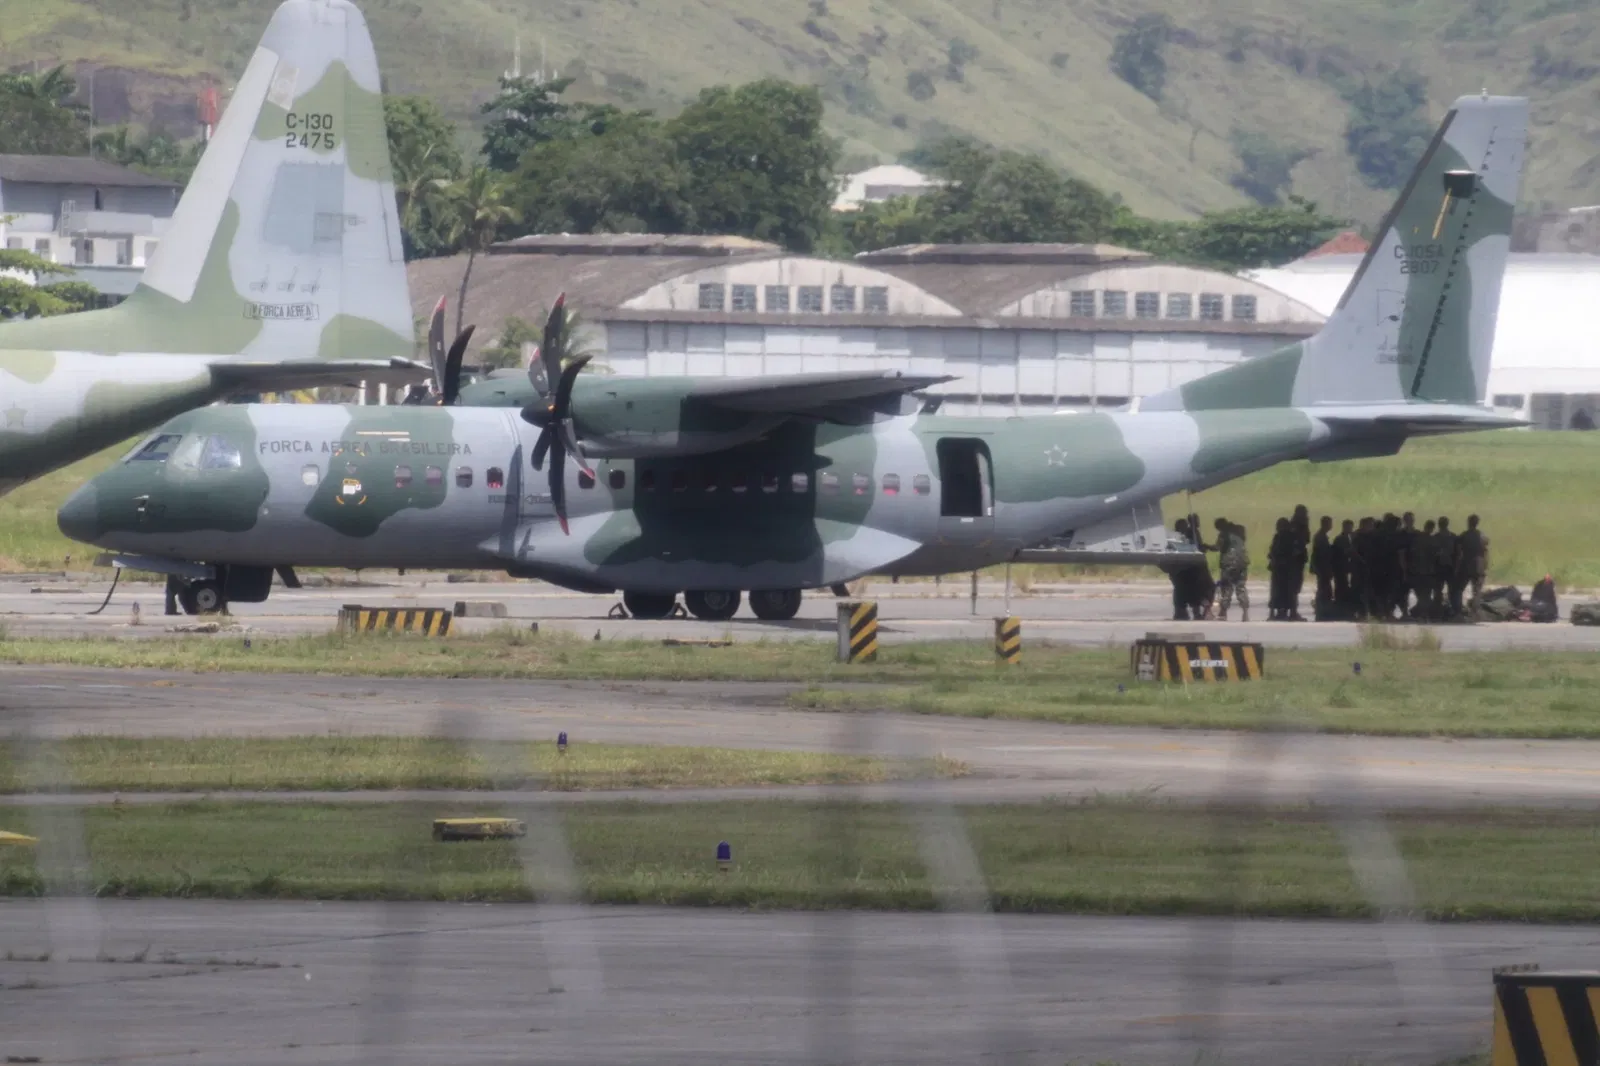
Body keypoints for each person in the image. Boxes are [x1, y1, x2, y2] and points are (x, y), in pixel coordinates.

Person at [1211, 517, 1250, 622]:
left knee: (1227, 587)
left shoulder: (1224, 534)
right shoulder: (1240, 530)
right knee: (1241, 587)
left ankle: (1223, 612)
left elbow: (1218, 547)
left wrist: (1206, 547)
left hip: (1229, 563)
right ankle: (1245, 613)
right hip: (1242, 562)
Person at [1455, 515, 1487, 618]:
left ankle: (1458, 611)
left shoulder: (1464, 536)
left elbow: (1459, 552)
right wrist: (1485, 565)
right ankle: (1474, 612)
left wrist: (1457, 567)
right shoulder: (1483, 536)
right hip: (1479, 566)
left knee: (1458, 589)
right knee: (1477, 591)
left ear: (1468, 522)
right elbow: (1485, 552)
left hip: (1466, 565)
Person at [1409, 518, 1437, 620]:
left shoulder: (1417, 539)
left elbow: (1412, 553)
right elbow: (1435, 556)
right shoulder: (1432, 540)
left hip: (1417, 570)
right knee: (1426, 594)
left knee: (1421, 594)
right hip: (1428, 571)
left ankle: (1419, 613)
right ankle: (1420, 613)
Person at [1433, 516, 1458, 620]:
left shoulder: (1436, 537)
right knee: (1451, 590)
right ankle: (1453, 611)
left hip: (1440, 567)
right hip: (1449, 567)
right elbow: (1457, 554)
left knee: (1438, 590)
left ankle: (1437, 612)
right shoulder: (1453, 537)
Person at [1352, 517, 1377, 620]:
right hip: (1360, 568)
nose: (1372, 527)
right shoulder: (1358, 537)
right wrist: (1363, 561)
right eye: (1370, 525)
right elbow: (1355, 552)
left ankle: (1369, 612)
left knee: (1369, 591)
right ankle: (1361, 612)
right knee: (1361, 590)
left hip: (1369, 567)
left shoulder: (1371, 536)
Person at [1288, 504, 1311, 621]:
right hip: (1296, 560)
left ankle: (1292, 610)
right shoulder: (1299, 526)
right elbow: (1305, 539)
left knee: (1295, 586)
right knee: (1295, 585)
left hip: (1297, 559)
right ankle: (1293, 611)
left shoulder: (1296, 525)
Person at [1311, 515, 1335, 620]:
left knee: (1324, 588)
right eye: (1329, 523)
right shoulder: (1320, 537)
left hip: (1322, 567)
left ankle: (1322, 609)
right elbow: (1321, 554)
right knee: (1323, 589)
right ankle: (1321, 609)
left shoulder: (1321, 536)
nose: (1331, 525)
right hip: (1322, 568)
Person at [1331, 518, 1354, 616]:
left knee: (1343, 587)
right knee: (1341, 587)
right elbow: (1342, 553)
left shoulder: (1347, 538)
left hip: (1344, 568)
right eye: (1348, 527)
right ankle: (1340, 609)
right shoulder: (1340, 539)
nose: (1350, 529)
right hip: (1339, 568)